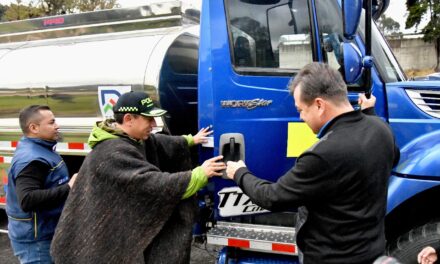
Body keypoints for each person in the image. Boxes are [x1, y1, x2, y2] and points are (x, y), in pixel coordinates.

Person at [226, 62, 400, 264]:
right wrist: (369, 114)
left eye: (301, 110)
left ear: (319, 105)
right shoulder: (381, 129)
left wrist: (239, 173)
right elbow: (393, 158)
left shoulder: (322, 155)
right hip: (372, 251)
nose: (300, 117)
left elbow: (272, 197)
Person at [51, 91, 226, 264]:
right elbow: (152, 184)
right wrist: (199, 174)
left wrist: (190, 140)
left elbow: (159, 142)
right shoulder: (112, 152)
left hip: (114, 232)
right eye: (148, 119)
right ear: (128, 119)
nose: (154, 124)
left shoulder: (131, 138)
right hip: (99, 241)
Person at [6, 105, 77, 264]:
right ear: (34, 128)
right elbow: (27, 199)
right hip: (36, 242)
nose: (57, 125)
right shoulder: (32, 159)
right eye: (51, 122)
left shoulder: (42, 148)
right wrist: (69, 187)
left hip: (44, 234)